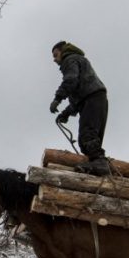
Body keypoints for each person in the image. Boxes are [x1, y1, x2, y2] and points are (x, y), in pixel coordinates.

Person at [48, 40, 110, 175]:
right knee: (90, 137)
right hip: (97, 98)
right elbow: (78, 97)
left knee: (87, 135)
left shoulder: (69, 60)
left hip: (92, 99)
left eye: (55, 55)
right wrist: (65, 113)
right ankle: (96, 163)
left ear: (63, 51)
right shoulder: (79, 60)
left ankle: (99, 163)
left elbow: (71, 80)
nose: (54, 59)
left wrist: (57, 99)